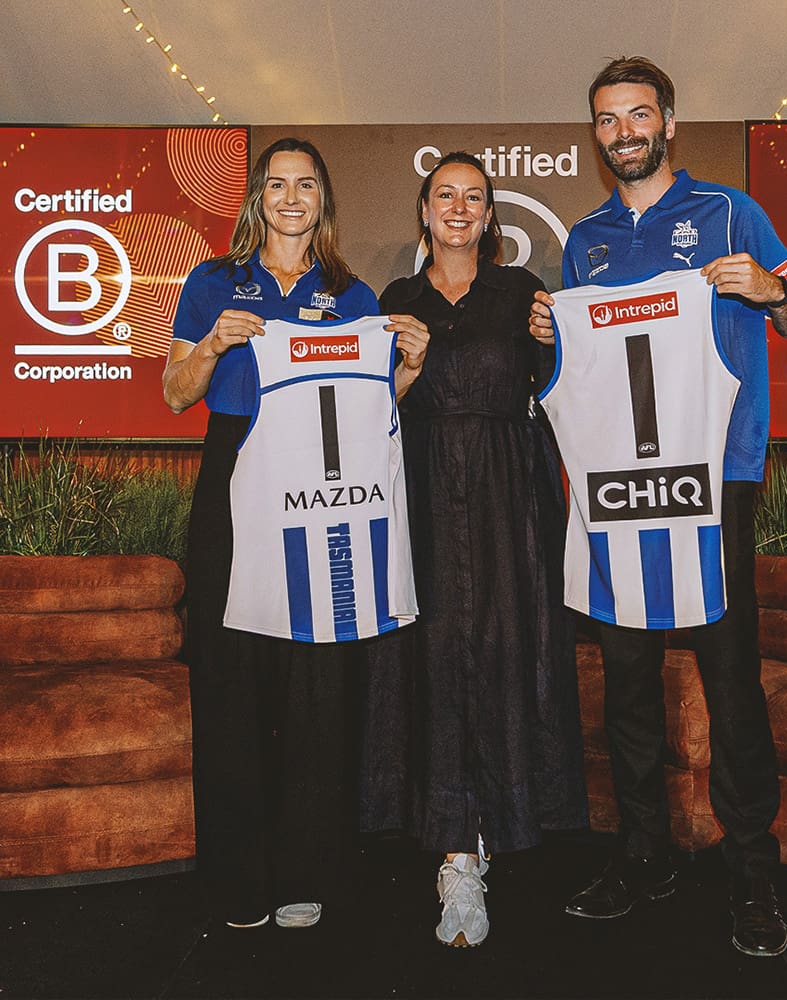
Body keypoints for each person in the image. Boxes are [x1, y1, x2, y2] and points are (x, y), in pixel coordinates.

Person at [529, 57, 787, 958]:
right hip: (618, 488)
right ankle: (642, 853)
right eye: (608, 120)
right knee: (626, 680)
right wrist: (551, 332)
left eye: (638, 115)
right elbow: (576, 370)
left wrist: (774, 293)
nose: (624, 132)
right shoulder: (586, 240)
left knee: (729, 679)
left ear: (670, 123)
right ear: (597, 133)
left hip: (715, 477)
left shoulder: (732, 212)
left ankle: (751, 871)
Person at [163, 137, 427, 930]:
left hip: (323, 491)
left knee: (318, 680)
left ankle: (309, 868)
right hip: (234, 477)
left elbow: (376, 410)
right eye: (276, 184)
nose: (290, 197)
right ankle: (241, 874)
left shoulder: (350, 295)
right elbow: (176, 392)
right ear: (257, 198)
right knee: (231, 678)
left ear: (323, 201)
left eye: (305, 184)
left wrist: (408, 367)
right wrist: (213, 344)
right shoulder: (212, 280)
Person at [360, 151, 588, 948]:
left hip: (507, 499)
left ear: (491, 217)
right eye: (445, 196)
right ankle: (455, 854)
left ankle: (497, 825)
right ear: (424, 212)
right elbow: (363, 410)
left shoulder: (524, 295)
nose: (460, 209)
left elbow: (569, 386)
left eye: (475, 199)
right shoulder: (395, 300)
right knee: (431, 654)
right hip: (419, 496)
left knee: (503, 649)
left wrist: (557, 341)